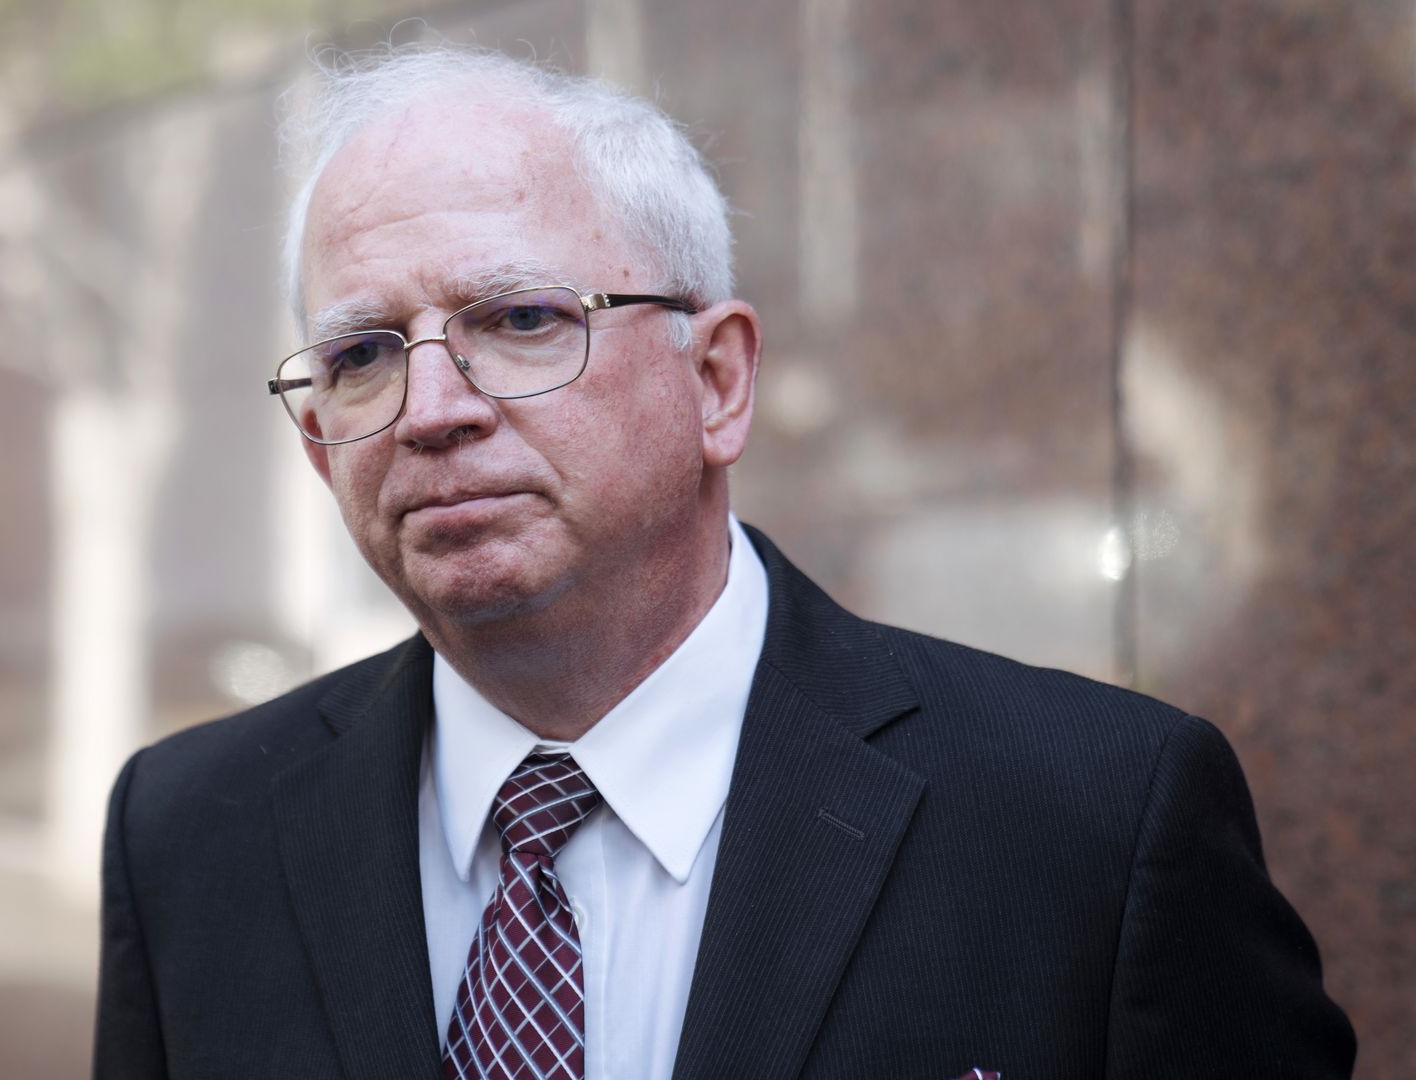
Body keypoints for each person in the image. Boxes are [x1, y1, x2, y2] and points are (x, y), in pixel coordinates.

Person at [92, 45, 1354, 1080]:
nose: (431, 407)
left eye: (523, 319)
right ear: (319, 448)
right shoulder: (187, 835)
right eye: (362, 352)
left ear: (718, 381)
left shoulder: (1093, 821)